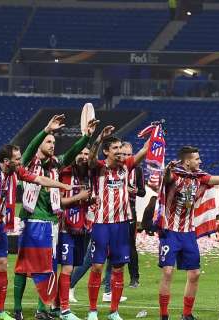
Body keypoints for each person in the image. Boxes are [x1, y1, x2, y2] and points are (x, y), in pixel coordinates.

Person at [0, 144, 71, 320]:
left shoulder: (16, 172)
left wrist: (62, 186)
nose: (20, 162)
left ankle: (0, 312)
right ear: (6, 161)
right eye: (17, 159)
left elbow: (39, 179)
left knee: (2, 264)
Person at [158, 146, 219, 320]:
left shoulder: (199, 177)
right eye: (197, 159)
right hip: (170, 231)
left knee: (195, 274)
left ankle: (187, 314)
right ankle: (164, 315)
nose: (200, 161)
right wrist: (166, 170)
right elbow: (165, 179)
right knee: (167, 272)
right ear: (187, 161)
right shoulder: (174, 175)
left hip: (188, 232)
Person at [13, 115, 97, 320]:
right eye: (49, 141)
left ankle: (42, 310)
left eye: (53, 142)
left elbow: (72, 153)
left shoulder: (55, 165)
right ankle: (17, 308)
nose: (52, 145)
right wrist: (46, 129)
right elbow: (31, 147)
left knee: (49, 266)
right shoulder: (27, 163)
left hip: (51, 222)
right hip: (30, 219)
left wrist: (86, 137)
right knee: (23, 266)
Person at [85, 126, 151, 320]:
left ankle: (113, 311)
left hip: (122, 224)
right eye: (115, 148)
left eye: (121, 148)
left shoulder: (126, 166)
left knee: (118, 267)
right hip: (101, 224)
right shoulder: (98, 167)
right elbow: (89, 159)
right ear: (106, 151)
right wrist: (98, 139)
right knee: (97, 267)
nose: (120, 152)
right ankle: (92, 310)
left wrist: (154, 134)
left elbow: (144, 151)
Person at [56, 147, 94, 320]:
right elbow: (60, 202)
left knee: (71, 268)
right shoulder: (64, 174)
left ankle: (57, 305)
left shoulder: (90, 176)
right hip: (65, 227)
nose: (84, 157)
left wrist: (91, 199)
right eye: (81, 153)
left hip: (83, 228)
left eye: (87, 154)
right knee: (67, 267)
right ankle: (65, 310)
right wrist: (80, 197)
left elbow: (87, 200)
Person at [121, 142, 146, 288]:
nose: (126, 157)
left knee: (130, 245)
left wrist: (134, 190)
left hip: (130, 210)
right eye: (123, 154)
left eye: (129, 154)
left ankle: (134, 278)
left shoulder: (137, 170)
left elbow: (142, 192)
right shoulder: (113, 168)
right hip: (114, 210)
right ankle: (108, 282)